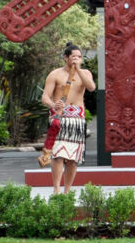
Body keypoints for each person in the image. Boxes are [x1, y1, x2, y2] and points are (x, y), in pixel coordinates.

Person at [40, 43, 96, 194]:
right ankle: (56, 190)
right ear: (66, 57)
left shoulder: (85, 73)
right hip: (59, 118)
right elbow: (45, 96)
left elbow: (91, 87)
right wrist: (53, 104)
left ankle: (67, 191)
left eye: (79, 57)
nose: (77, 59)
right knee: (58, 155)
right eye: (74, 57)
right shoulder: (55, 74)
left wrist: (77, 69)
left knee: (72, 159)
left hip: (77, 120)